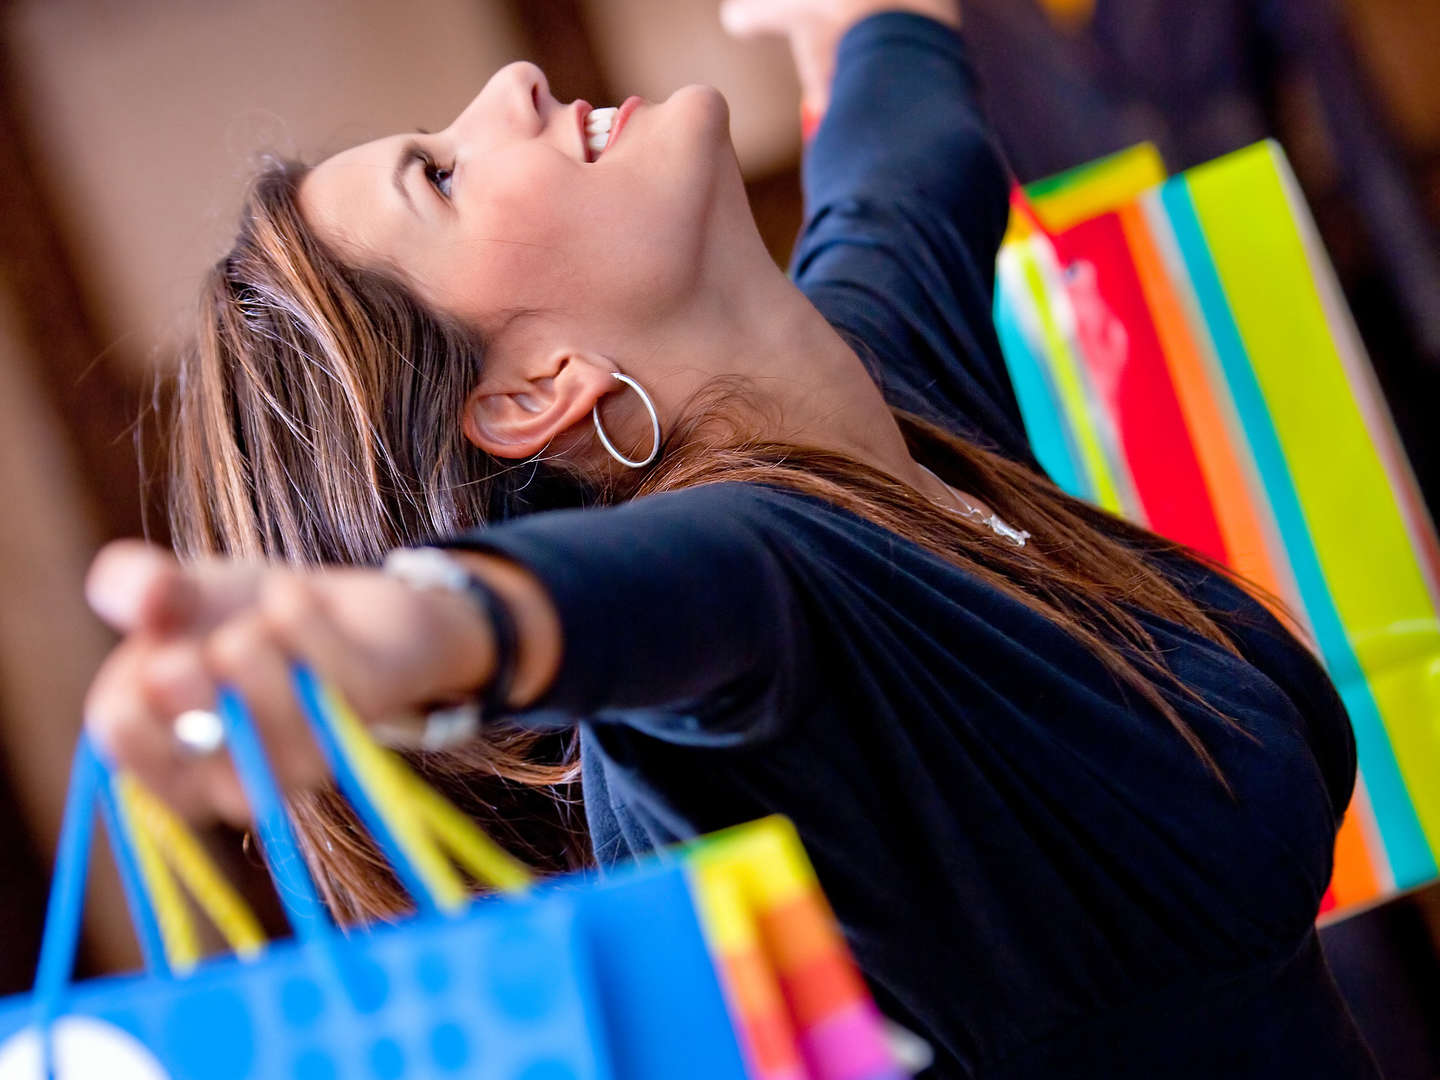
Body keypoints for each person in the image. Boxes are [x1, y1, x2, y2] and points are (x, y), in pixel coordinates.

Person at [83, 0, 1381, 1074]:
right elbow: (614, 603)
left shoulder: (880, 398)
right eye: (444, 174)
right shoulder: (753, 602)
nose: (517, 86)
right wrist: (389, 637)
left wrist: (860, 20)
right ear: (534, 392)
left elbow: (904, 156)